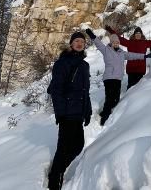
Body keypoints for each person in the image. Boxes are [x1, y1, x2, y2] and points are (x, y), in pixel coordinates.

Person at [47, 31, 92, 190]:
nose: (79, 43)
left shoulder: (85, 65)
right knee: (64, 148)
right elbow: (56, 89)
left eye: (82, 41)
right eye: (77, 41)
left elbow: (85, 91)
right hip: (67, 113)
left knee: (78, 145)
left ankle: (58, 171)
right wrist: (60, 113)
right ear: (71, 44)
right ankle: (54, 180)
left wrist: (88, 111)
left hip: (78, 113)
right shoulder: (63, 63)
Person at [85, 28, 146, 125]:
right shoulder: (106, 50)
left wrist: (144, 56)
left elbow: (132, 55)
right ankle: (104, 118)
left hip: (118, 79)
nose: (116, 44)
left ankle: (105, 113)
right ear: (111, 43)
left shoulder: (122, 53)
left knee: (116, 99)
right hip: (109, 78)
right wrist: (91, 35)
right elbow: (98, 43)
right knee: (110, 98)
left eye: (117, 43)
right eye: (114, 42)